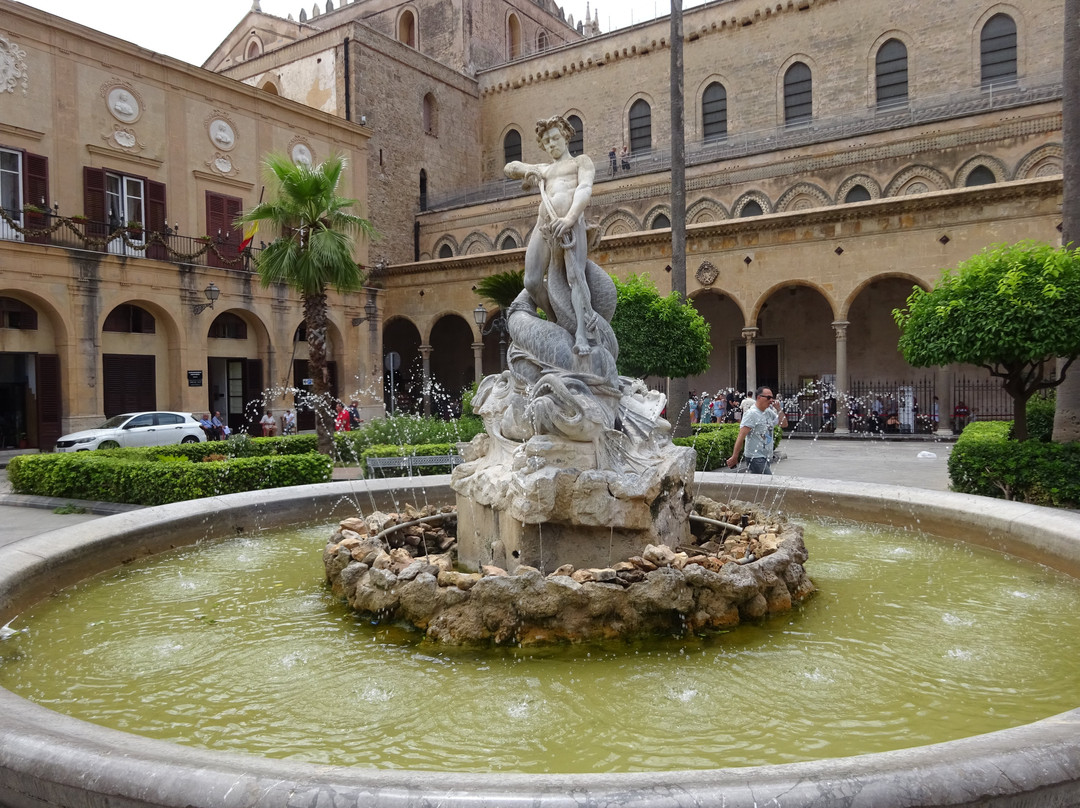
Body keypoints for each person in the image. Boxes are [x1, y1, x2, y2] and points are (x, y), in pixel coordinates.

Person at [505, 116, 598, 357]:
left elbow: (585, 189)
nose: (551, 144)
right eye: (546, 141)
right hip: (544, 226)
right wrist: (530, 170)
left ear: (566, 136)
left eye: (555, 138)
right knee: (532, 281)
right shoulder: (544, 170)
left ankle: (580, 333)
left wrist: (569, 218)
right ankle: (555, 318)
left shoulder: (581, 162)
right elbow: (509, 168)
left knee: (576, 278)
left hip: (569, 224)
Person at [727, 386, 788, 474]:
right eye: (768, 397)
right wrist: (734, 456)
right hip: (755, 457)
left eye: (772, 397)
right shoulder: (751, 414)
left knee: (761, 485)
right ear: (759, 397)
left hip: (766, 457)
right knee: (768, 483)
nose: (771, 400)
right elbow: (741, 437)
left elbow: (784, 424)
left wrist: (779, 409)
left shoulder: (768, 412)